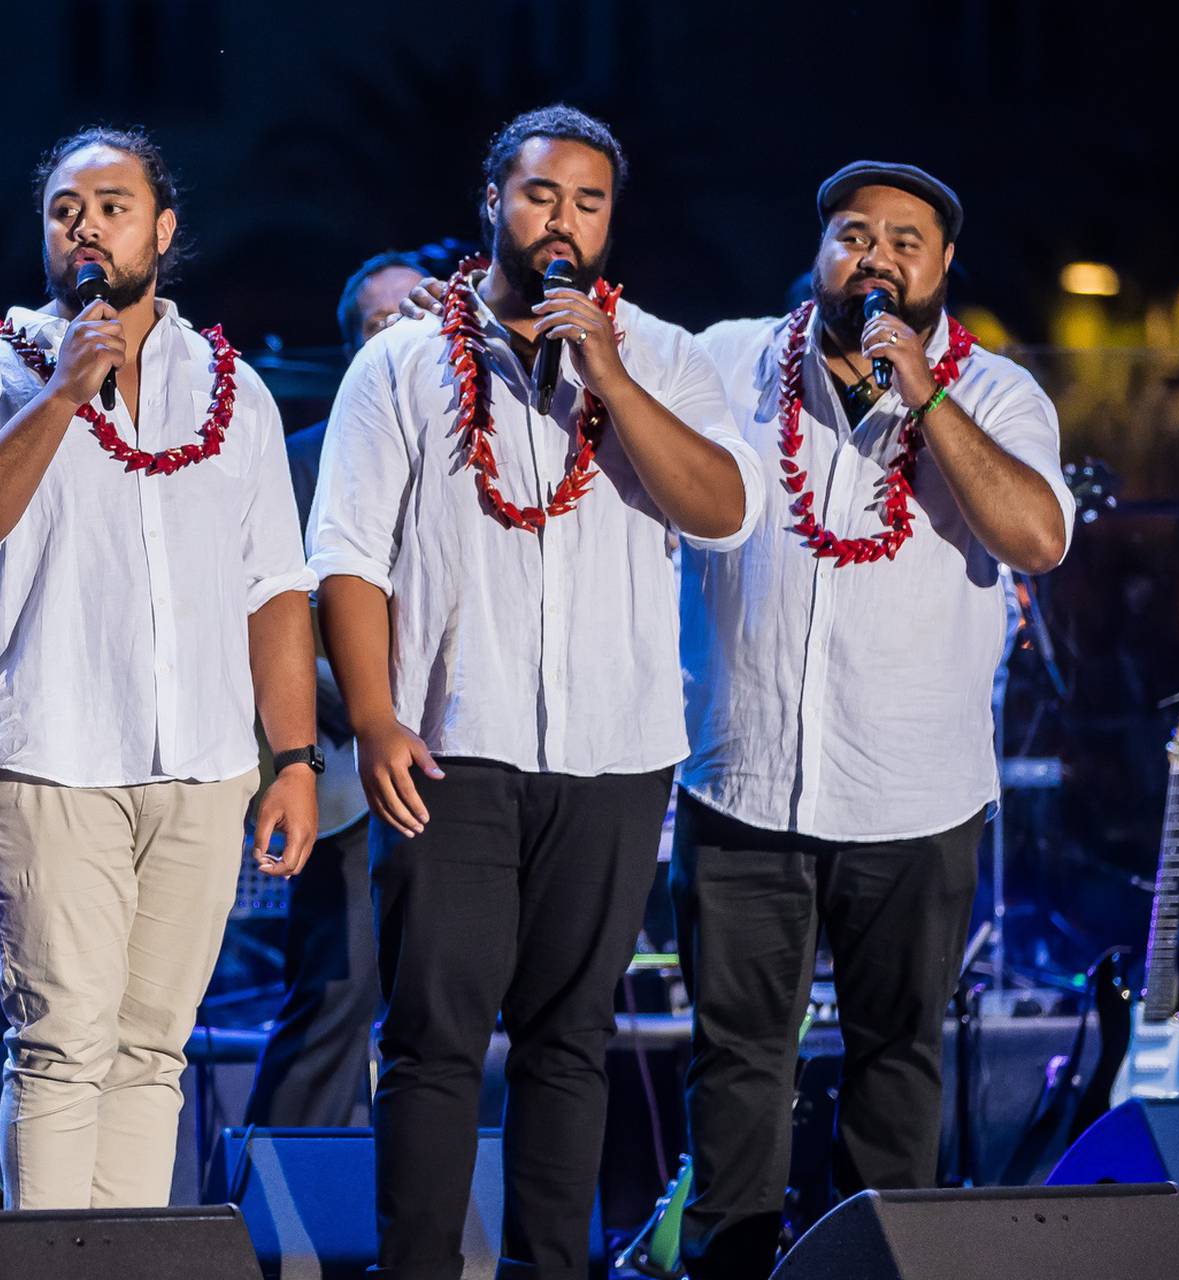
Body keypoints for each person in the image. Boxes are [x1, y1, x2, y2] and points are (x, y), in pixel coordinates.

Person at [310, 104, 760, 1279]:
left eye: (588, 202)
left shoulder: (659, 353)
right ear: (492, 200)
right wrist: (371, 718)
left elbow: (724, 510)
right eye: (539, 194)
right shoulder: (401, 361)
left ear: (612, 222)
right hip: (450, 742)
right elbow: (346, 553)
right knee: (435, 1041)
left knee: (571, 1042)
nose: (562, 220)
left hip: (616, 748)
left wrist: (606, 371)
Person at [0, 126, 319, 1209]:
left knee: (151, 1050)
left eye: (112, 203)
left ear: (163, 228)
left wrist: (294, 757)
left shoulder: (235, 392)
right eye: (63, 208)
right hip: (50, 754)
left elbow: (275, 586)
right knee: (63, 1044)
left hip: (205, 765)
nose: (85, 223)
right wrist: (60, 398)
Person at [674, 161, 1073, 1280]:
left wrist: (927, 396)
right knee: (737, 1063)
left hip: (915, 793)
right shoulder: (729, 362)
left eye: (907, 238)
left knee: (897, 1063)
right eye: (856, 233)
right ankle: (730, 1269)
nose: (879, 256)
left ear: (943, 266)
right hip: (743, 779)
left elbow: (1037, 538)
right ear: (820, 250)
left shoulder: (995, 394)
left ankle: (875, 1270)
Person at [242, 249, 423, 1129]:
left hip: (463, 762)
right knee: (337, 993)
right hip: (351, 769)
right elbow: (276, 606)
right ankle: (273, 1220)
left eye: (416, 315)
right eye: (382, 322)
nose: (402, 332)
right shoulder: (305, 457)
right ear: (355, 349)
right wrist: (354, 715)